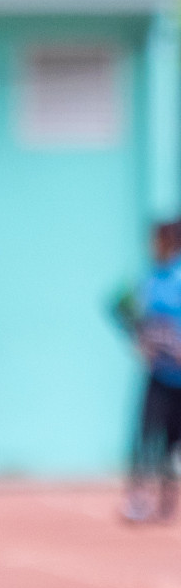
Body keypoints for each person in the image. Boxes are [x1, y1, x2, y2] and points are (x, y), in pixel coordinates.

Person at [115, 220, 181, 522]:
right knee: (145, 436)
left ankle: (168, 501)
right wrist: (132, 325)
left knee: (172, 442)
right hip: (157, 373)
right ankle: (139, 499)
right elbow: (140, 320)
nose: (153, 247)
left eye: (158, 241)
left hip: (178, 378)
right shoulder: (151, 278)